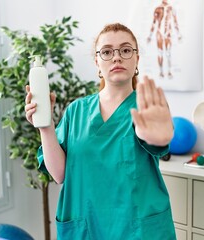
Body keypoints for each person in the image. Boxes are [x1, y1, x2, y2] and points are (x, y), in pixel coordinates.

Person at [25, 23, 176, 240]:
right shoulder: (76, 111)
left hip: (137, 230)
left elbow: (157, 140)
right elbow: (59, 175)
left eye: (125, 50)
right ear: (97, 62)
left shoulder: (147, 107)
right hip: (86, 226)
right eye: (106, 52)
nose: (116, 57)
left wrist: (159, 139)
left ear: (136, 59)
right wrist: (46, 126)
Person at [147, 0, 182, 79]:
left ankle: (169, 71)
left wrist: (178, 34)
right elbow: (154, 23)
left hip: (167, 33)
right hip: (160, 33)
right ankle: (161, 72)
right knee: (160, 53)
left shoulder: (171, 8)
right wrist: (150, 35)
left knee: (168, 53)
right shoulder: (158, 9)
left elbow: (175, 22)